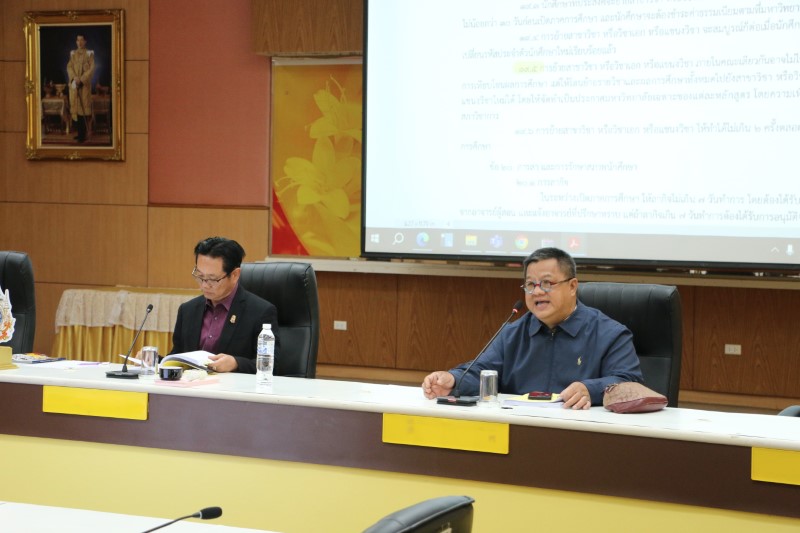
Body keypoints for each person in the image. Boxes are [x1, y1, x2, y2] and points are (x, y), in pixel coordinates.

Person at [422, 247, 642, 409]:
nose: (537, 292)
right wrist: (453, 379)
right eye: (530, 284)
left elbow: (630, 382)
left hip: (584, 435)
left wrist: (590, 390)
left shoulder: (609, 334)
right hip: (519, 432)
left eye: (547, 283)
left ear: (572, 286)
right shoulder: (512, 333)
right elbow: (482, 371)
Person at [169, 237, 280, 373]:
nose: (204, 285)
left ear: (234, 275)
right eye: (200, 276)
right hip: (192, 384)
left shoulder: (260, 312)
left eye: (213, 279)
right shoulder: (187, 310)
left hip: (234, 385)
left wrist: (236, 363)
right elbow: (177, 357)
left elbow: (272, 365)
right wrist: (154, 360)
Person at [67, 34, 94, 143]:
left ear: (85, 41)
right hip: (75, 85)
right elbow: (69, 67)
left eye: (82, 40)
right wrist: (74, 78)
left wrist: (81, 79)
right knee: (77, 111)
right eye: (78, 40)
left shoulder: (89, 54)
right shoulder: (73, 54)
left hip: (84, 86)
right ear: (76, 42)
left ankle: (83, 135)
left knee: (83, 110)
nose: (79, 42)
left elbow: (91, 69)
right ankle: (80, 134)